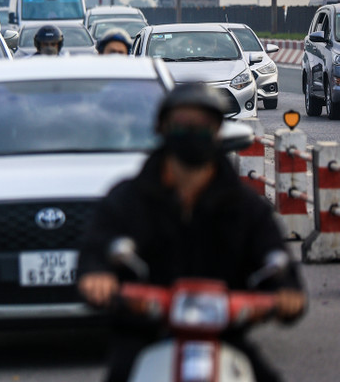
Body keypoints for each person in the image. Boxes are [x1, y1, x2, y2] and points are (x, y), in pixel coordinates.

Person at [78, 84, 306, 382]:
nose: (192, 133)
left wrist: (286, 291)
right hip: (144, 336)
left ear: (217, 131)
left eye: (202, 126)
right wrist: (97, 275)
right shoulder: (127, 198)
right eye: (182, 124)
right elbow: (97, 247)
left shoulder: (246, 206)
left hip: (223, 337)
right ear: (161, 128)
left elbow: (275, 258)